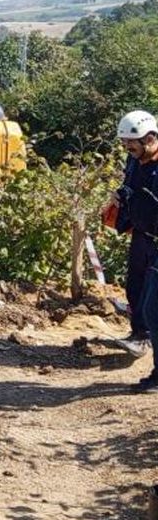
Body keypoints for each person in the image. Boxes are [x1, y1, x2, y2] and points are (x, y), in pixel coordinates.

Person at [107, 111, 158, 364]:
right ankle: (139, 334)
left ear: (149, 139)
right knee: (135, 284)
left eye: (132, 143)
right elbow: (130, 185)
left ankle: (146, 336)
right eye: (124, 143)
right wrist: (119, 198)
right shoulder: (133, 160)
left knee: (151, 294)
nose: (127, 148)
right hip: (141, 232)